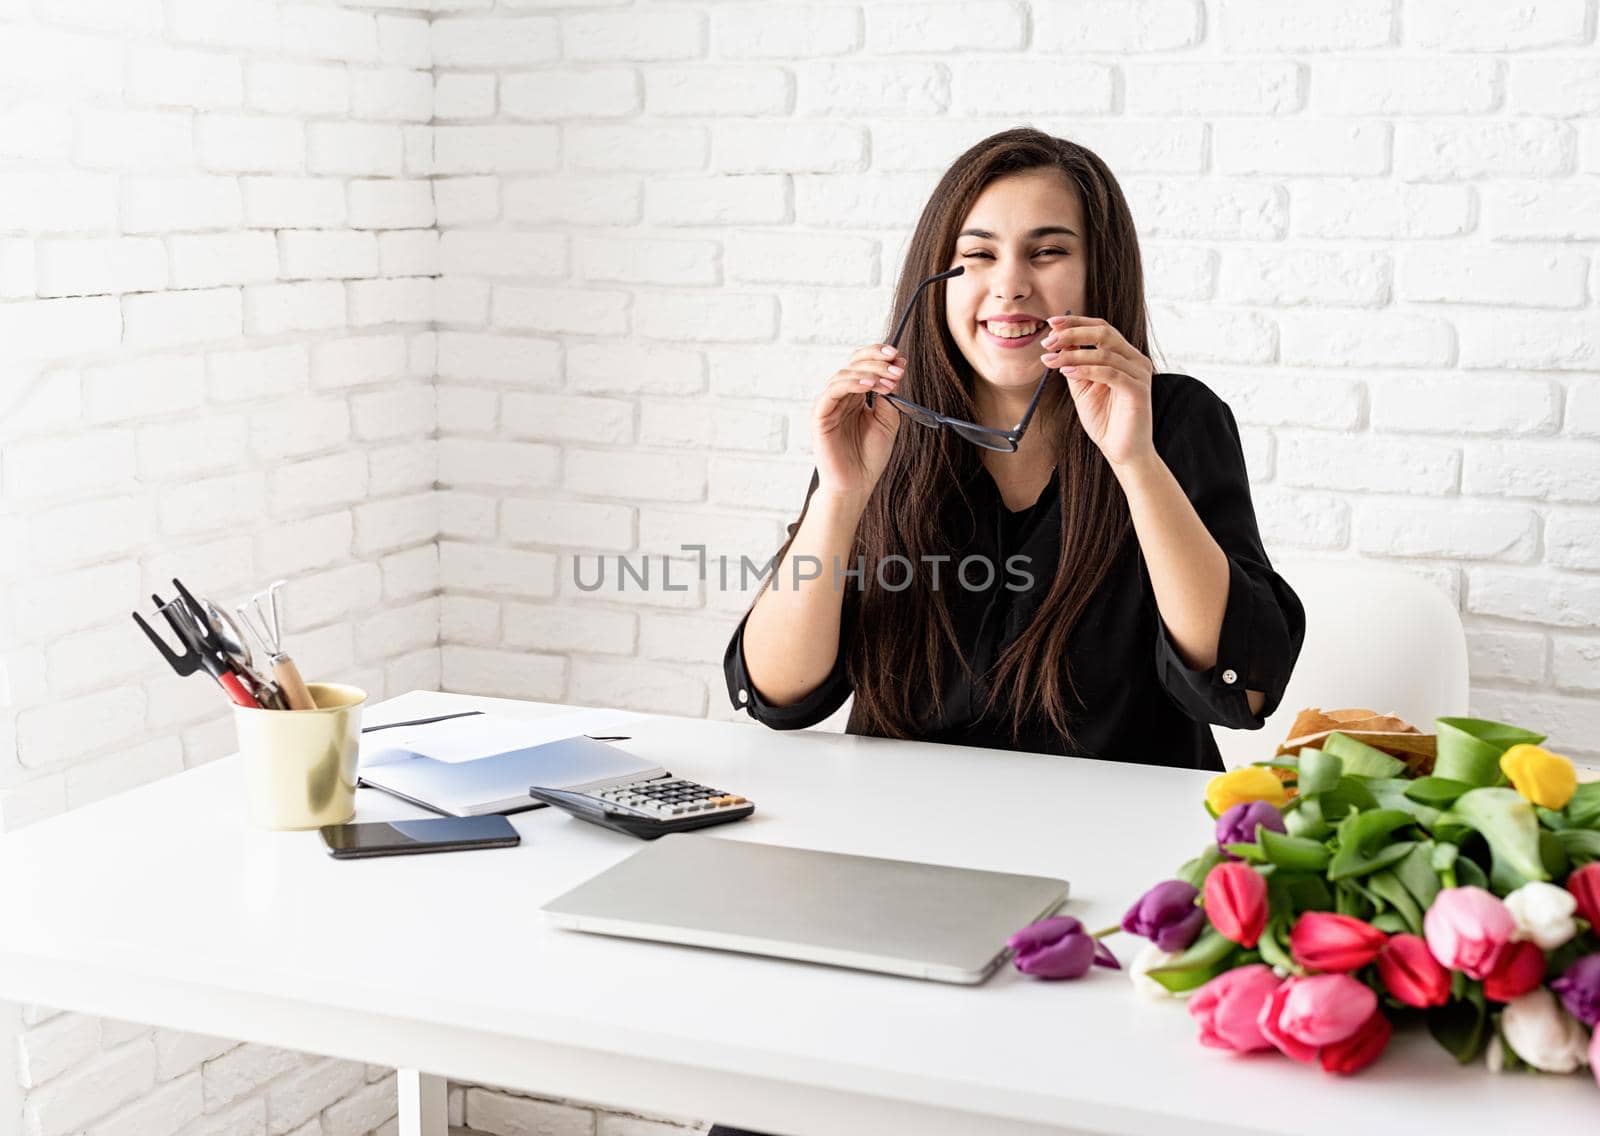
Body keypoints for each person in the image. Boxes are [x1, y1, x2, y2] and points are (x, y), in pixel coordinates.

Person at [709, 128, 1304, 1132]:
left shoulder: (1174, 419)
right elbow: (774, 690)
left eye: (1047, 249)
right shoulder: (885, 426)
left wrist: (1133, 455)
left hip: (1116, 900)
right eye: (977, 253)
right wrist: (842, 493)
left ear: (1098, 269)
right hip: (907, 886)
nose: (1009, 283)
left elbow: (1237, 685)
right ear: (935, 278)